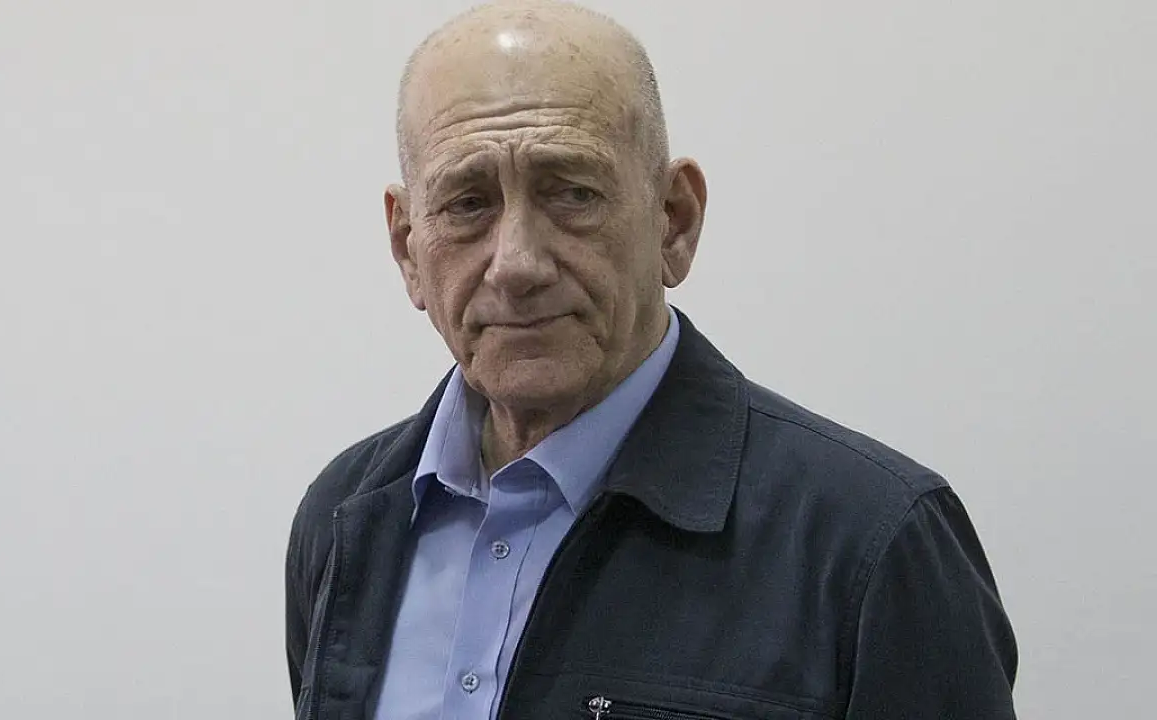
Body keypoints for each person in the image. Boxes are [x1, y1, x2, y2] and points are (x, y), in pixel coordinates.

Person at [285, 1, 1018, 718]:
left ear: (675, 220)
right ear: (407, 246)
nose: (516, 264)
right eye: (467, 204)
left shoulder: (869, 545)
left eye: (572, 193)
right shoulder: (348, 517)